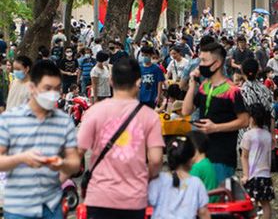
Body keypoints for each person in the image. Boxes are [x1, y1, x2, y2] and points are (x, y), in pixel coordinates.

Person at [78, 57, 164, 219]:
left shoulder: (93, 113)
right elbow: (156, 160)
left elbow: (77, 153)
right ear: (138, 82)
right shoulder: (150, 117)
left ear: (111, 81)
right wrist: (144, 179)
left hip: (99, 197)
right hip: (134, 198)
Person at [0, 60, 80, 219]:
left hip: (51, 206)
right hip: (18, 208)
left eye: (57, 89)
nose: (53, 94)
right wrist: (21, 158)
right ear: (32, 87)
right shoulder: (9, 119)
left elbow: (75, 162)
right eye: (47, 89)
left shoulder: (64, 122)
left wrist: (62, 164)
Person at [182, 42, 248, 184]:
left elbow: (244, 121)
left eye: (204, 61)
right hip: (201, 156)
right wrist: (192, 84)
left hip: (222, 158)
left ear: (217, 63)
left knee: (217, 200)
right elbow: (186, 110)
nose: (201, 64)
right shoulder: (204, 86)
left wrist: (216, 127)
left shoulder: (232, 90)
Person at [148, 137, 210, 219]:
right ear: (191, 159)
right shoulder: (197, 183)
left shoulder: (158, 180)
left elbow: (147, 202)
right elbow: (203, 212)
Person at [241, 104, 275, 219]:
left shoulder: (248, 135)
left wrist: (245, 175)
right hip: (265, 174)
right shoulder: (267, 135)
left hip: (253, 175)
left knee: (251, 203)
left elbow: (244, 156)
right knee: (266, 204)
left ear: (252, 118)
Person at [238, 59, 274, 147]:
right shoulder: (265, 89)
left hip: (246, 134)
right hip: (264, 132)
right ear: (257, 71)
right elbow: (272, 113)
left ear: (242, 72)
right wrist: (272, 133)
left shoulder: (242, 91)